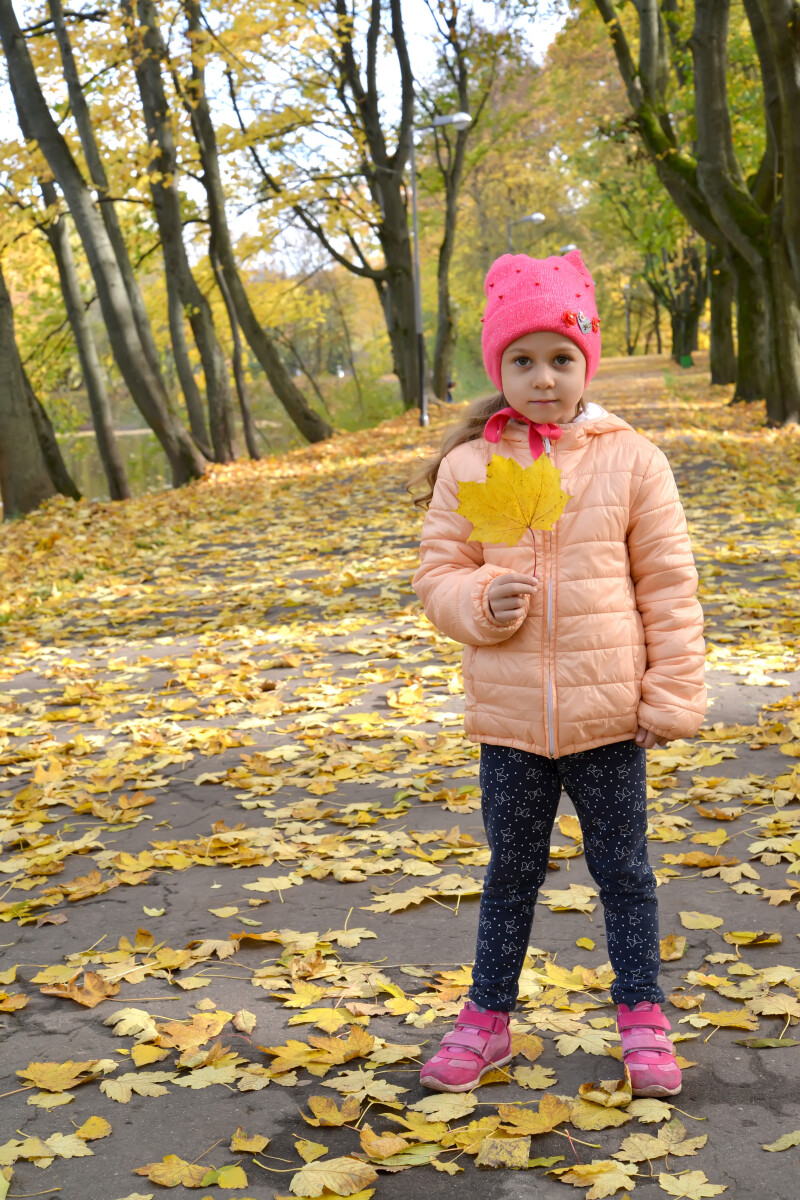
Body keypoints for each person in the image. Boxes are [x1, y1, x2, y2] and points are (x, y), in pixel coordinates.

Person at [408, 249, 706, 1098]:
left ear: (588, 366)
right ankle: (486, 1020)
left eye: (562, 358)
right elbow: (437, 574)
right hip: (511, 724)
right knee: (510, 872)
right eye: (523, 360)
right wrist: (478, 599)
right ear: (497, 366)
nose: (544, 378)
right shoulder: (472, 466)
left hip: (610, 717)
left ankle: (643, 1015)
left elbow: (668, 583)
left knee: (624, 873)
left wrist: (670, 690)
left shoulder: (633, 461)